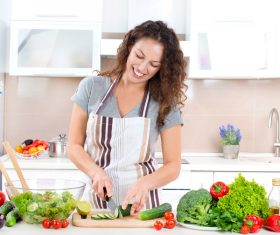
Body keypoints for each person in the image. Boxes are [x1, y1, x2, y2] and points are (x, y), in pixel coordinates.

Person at [67, 20, 187, 215]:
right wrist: (95, 172)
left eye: (154, 64)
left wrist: (145, 184)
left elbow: (173, 165)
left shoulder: (165, 101)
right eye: (139, 56)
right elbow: (73, 146)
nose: (142, 67)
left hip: (144, 210)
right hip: (97, 207)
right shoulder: (91, 87)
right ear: (129, 47)